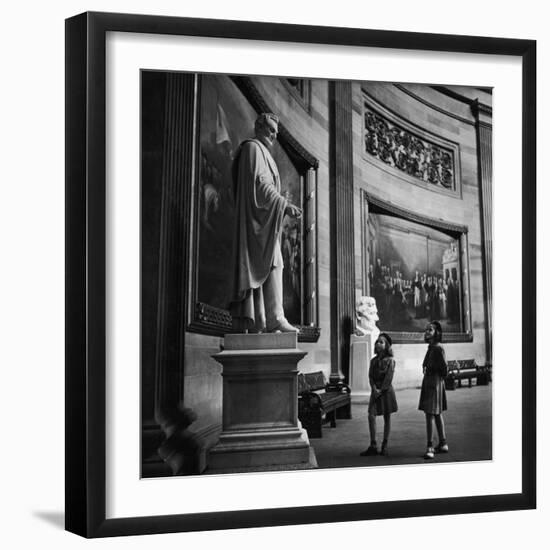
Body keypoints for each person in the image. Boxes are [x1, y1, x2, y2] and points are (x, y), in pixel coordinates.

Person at [230, 113, 302, 333]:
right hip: (256, 224)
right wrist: (284, 204)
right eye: (270, 129)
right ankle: (271, 317)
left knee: (276, 264)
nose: (273, 135)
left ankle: (273, 317)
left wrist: (279, 206)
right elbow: (260, 186)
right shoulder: (253, 149)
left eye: (276, 132)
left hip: (266, 223)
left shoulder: (265, 154)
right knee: (273, 263)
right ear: (258, 127)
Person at [360, 332, 398, 457]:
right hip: (375, 391)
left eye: (381, 342)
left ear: (387, 346)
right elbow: (370, 376)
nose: (378, 343)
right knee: (371, 415)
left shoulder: (390, 361)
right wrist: (374, 389)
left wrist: (380, 390)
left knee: (387, 417)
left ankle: (385, 445)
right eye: (377, 341)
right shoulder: (373, 361)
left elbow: (388, 378)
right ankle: (373, 445)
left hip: (386, 392)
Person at [418, 321, 449, 459]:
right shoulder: (431, 347)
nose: (427, 332)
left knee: (430, 415)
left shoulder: (437, 348)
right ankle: (443, 443)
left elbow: (444, 368)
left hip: (434, 382)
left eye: (430, 329)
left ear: (437, 332)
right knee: (436, 414)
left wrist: (437, 379)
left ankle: (430, 447)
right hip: (430, 380)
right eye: (426, 330)